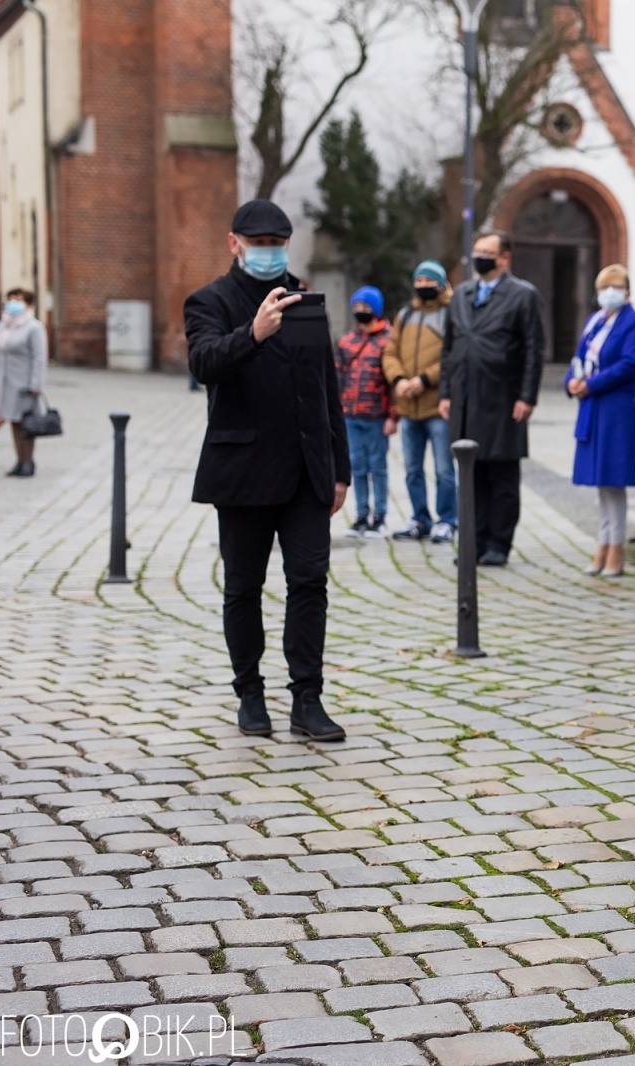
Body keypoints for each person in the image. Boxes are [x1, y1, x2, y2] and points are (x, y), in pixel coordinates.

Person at [184, 199, 350, 742]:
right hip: (244, 471)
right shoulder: (209, 300)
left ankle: (308, 698)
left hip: (306, 472)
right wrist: (252, 334)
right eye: (258, 246)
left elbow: (328, 388)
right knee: (243, 587)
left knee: (309, 583)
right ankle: (249, 693)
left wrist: (340, 468)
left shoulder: (304, 300)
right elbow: (204, 363)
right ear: (235, 244)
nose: (268, 255)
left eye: (276, 246)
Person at [439, 231, 546, 566]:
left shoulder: (522, 295)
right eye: (476, 251)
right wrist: (445, 393)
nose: (479, 257)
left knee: (501, 477)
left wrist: (526, 396)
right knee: (472, 476)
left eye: (487, 252)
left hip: (503, 398)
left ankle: (498, 543)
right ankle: (473, 540)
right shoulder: (460, 295)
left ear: (504, 258)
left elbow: (533, 349)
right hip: (465, 398)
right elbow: (448, 349)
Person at [566, 264, 635, 577]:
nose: (609, 292)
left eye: (616, 286)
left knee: (614, 481)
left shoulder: (634, 322)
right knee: (601, 483)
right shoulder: (594, 321)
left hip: (616, 409)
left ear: (627, 290)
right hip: (593, 408)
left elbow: (629, 363)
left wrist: (591, 384)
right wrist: (571, 383)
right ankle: (602, 544)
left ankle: (616, 549)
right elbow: (578, 358)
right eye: (604, 287)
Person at [385, 260, 457, 544]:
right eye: (420, 281)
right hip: (407, 406)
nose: (424, 286)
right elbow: (389, 352)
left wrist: (424, 380)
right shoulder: (405, 315)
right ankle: (419, 518)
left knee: (443, 469)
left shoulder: (450, 314)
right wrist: (399, 379)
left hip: (436, 405)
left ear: (440, 284)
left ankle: (447, 520)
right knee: (412, 469)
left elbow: (454, 355)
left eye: (430, 281)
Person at [336, 286, 397, 537]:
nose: (361, 311)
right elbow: (337, 376)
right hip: (350, 415)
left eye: (366, 307)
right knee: (356, 467)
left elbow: (393, 382)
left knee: (378, 467)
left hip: (377, 416)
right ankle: (361, 515)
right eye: (357, 307)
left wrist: (393, 416)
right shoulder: (346, 341)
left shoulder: (389, 340)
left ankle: (379, 517)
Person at [0, 287, 49, 478]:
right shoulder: (5, 325)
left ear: (28, 304)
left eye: (18, 300)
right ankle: (19, 460)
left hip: (24, 384)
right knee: (14, 422)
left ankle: (28, 461)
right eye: (11, 300)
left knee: (27, 423)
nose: (14, 304)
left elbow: (39, 358)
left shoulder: (34, 327)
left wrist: (36, 384)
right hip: (7, 383)